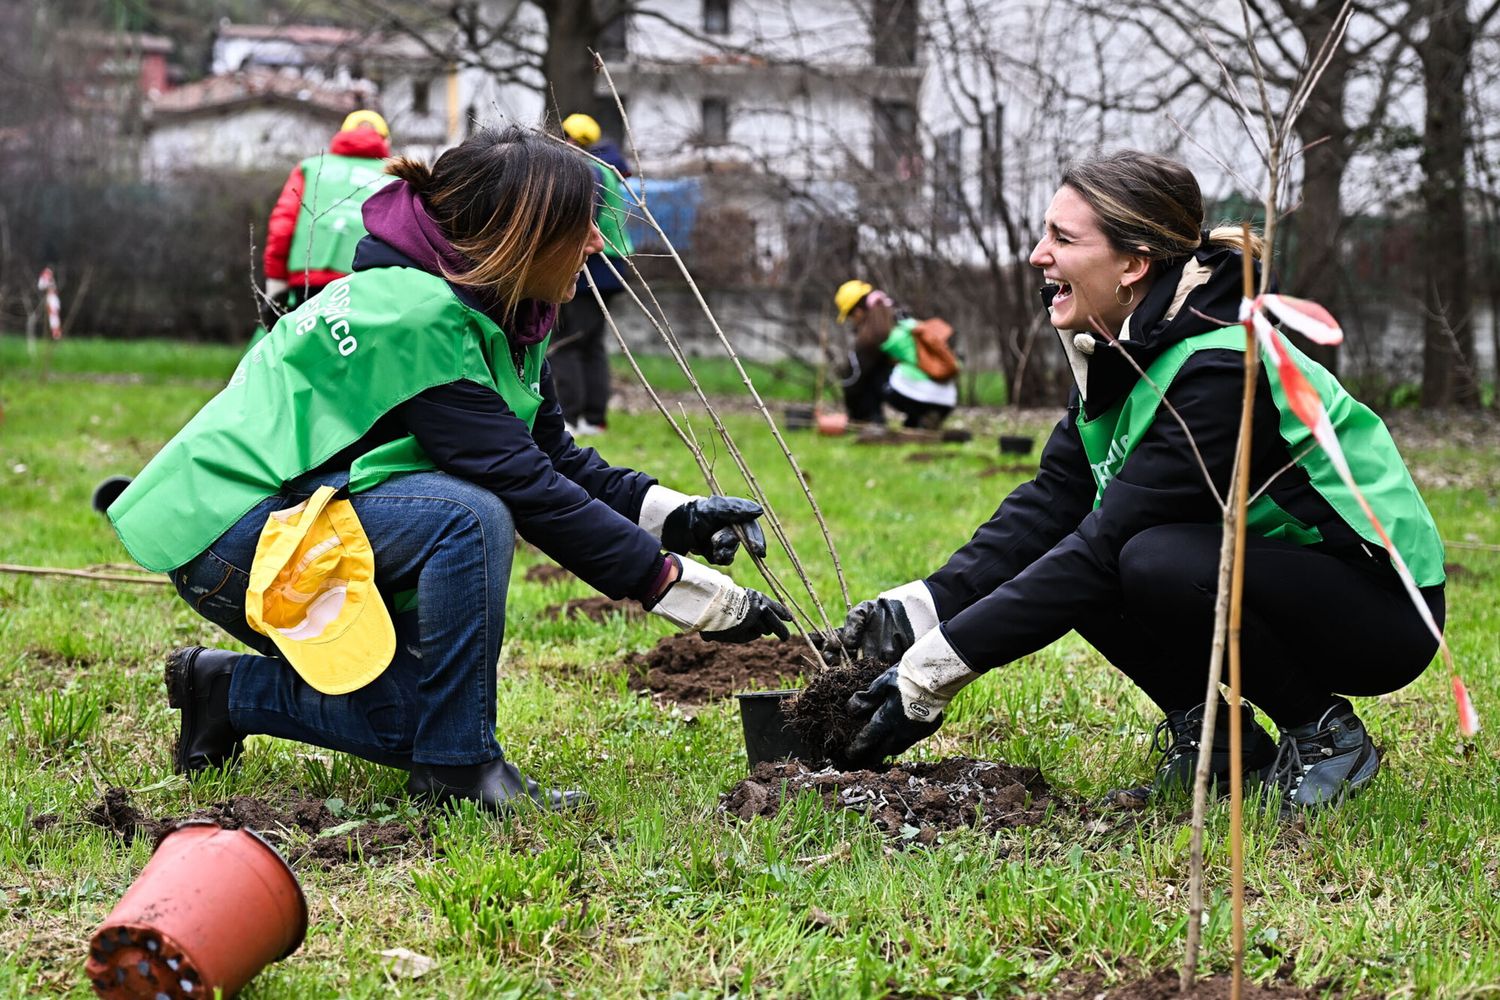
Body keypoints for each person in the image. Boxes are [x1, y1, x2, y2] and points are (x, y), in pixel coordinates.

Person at [108, 125, 791, 814]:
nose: (596, 243)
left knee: (413, 721)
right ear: (523, 232)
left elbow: (554, 456)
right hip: (229, 537)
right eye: (580, 225)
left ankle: (224, 691)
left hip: (302, 524)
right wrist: (685, 592)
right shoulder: (417, 320)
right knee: (470, 516)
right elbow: (526, 486)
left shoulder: (500, 312)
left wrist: (678, 517)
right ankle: (460, 773)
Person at [825, 151, 1446, 811]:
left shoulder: (1218, 367)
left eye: (1063, 239)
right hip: (1274, 577)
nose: (1039, 255)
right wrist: (921, 607)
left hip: (1379, 605)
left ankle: (1325, 736)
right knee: (1090, 551)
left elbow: (1104, 544)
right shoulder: (1119, 347)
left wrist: (933, 672)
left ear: (1133, 263)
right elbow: (1053, 504)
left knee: (1145, 559)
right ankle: (1214, 742)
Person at [261, 109, 393, 321]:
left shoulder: (311, 168)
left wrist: (276, 282)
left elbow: (282, 228)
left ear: (342, 134)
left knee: (308, 347)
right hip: (369, 282)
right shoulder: (395, 176)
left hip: (308, 278)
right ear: (386, 141)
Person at [551, 112, 635, 435]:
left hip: (591, 264)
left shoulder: (584, 169)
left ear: (569, 138)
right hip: (612, 265)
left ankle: (570, 418)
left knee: (568, 340)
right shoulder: (604, 167)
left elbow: (579, 218)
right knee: (591, 343)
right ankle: (593, 417)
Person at [833, 280, 958, 429]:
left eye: (850, 317)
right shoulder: (901, 319)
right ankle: (918, 420)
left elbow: (854, 380)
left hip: (923, 396)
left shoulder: (875, 333)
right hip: (948, 397)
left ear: (858, 312)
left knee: (872, 374)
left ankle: (871, 421)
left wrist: (853, 415)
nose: (852, 322)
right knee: (896, 368)